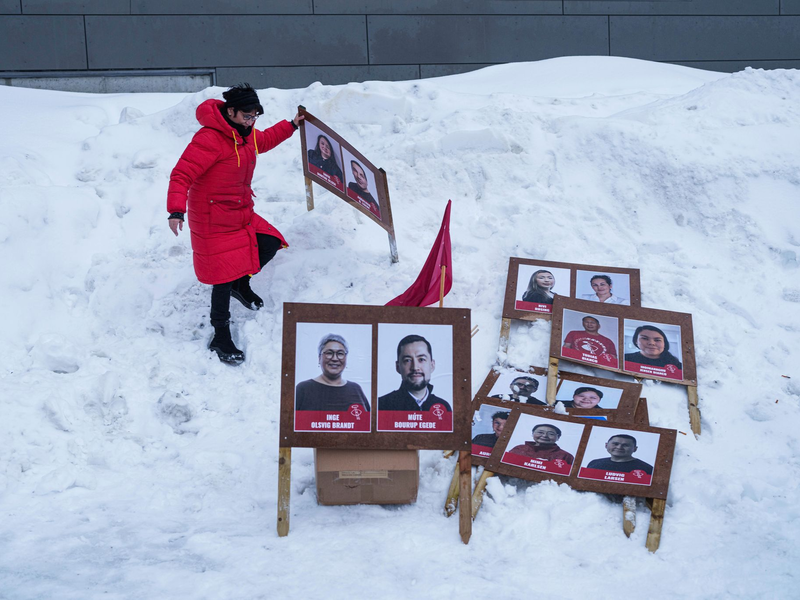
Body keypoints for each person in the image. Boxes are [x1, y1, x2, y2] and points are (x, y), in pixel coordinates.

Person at [167, 83, 304, 365]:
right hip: (211, 217)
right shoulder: (209, 138)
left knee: (269, 242)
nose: (251, 121)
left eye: (255, 116)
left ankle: (241, 284)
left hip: (239, 211)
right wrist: (176, 210)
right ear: (230, 111)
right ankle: (221, 334)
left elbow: (264, 140)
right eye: (247, 115)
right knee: (221, 275)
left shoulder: (245, 136)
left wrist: (291, 125)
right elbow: (181, 174)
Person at [295, 334, 370, 412]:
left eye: (340, 353)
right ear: (319, 358)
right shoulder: (303, 389)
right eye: (329, 353)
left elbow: (368, 422)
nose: (334, 358)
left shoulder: (356, 389)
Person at [378, 335, 452, 412]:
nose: (415, 367)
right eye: (407, 360)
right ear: (398, 367)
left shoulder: (444, 407)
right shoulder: (382, 405)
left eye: (421, 359)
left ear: (432, 365)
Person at [586, 434, 653, 474]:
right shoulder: (594, 464)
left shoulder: (647, 469)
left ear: (635, 449)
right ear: (606, 445)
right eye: (615, 444)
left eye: (625, 445)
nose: (619, 447)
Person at [508, 424, 574, 464]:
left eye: (551, 434)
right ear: (532, 434)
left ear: (558, 437)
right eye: (540, 432)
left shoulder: (566, 456)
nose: (545, 436)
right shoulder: (519, 449)